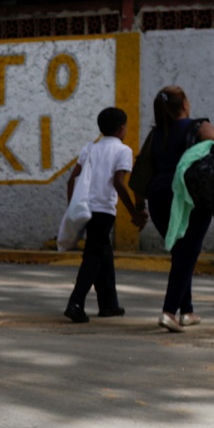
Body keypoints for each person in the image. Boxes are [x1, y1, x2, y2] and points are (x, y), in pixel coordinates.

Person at [130, 86, 214, 333]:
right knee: (186, 254)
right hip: (190, 199)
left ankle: (186, 311)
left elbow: (141, 172)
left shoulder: (156, 135)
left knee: (182, 253)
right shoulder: (199, 127)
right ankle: (169, 312)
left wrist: (139, 208)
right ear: (185, 104)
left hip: (159, 200)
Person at [62, 107, 136, 323]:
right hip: (104, 210)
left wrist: (71, 208)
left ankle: (108, 304)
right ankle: (75, 302)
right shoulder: (124, 151)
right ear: (122, 128)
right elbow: (119, 184)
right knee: (93, 256)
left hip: (85, 208)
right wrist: (134, 212)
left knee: (103, 253)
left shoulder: (89, 148)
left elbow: (71, 180)